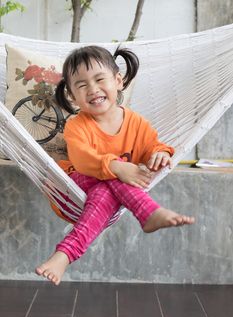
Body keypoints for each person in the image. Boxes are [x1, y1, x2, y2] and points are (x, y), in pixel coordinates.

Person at [35, 45, 195, 285]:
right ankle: (148, 211)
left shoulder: (136, 122)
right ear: (72, 95)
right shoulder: (77, 125)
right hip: (69, 189)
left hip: (103, 199)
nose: (93, 89)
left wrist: (159, 153)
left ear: (118, 81)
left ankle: (64, 255)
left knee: (104, 189)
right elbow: (81, 160)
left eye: (100, 79)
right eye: (82, 85)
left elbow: (151, 145)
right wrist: (118, 167)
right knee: (113, 172)